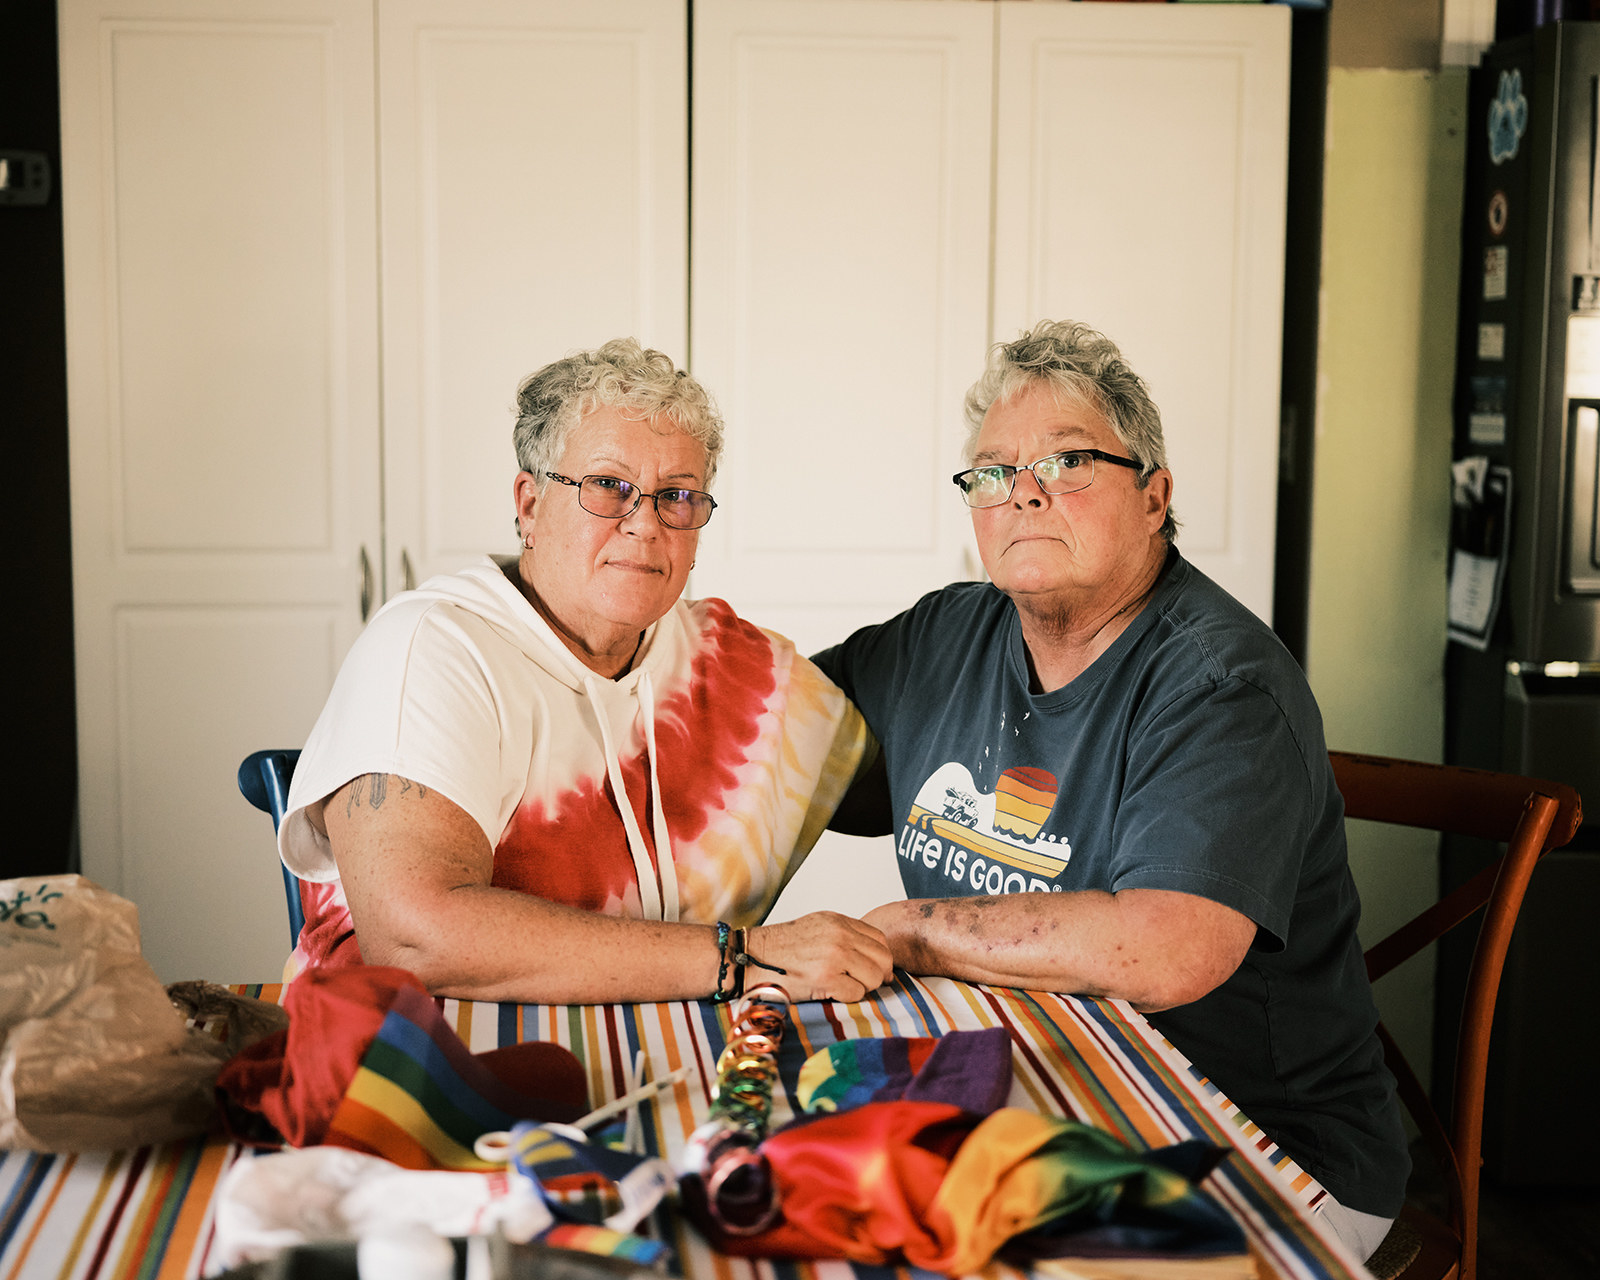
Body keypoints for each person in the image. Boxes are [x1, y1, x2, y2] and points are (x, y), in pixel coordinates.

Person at [814, 320, 1409, 1262]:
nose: (1023, 493)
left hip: (1258, 1143)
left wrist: (909, 929)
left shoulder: (1221, 684)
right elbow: (760, 738)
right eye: (991, 471)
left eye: (1069, 460)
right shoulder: (942, 638)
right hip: (1045, 1080)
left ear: (1154, 495)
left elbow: (1170, 946)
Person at [279, 338, 892, 1006]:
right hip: (421, 1068)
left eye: (678, 496)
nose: (646, 524)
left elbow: (902, 782)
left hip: (675, 1059)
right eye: (608, 486)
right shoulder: (433, 649)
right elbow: (415, 937)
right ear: (530, 504)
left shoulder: (727, 661)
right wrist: (742, 959)